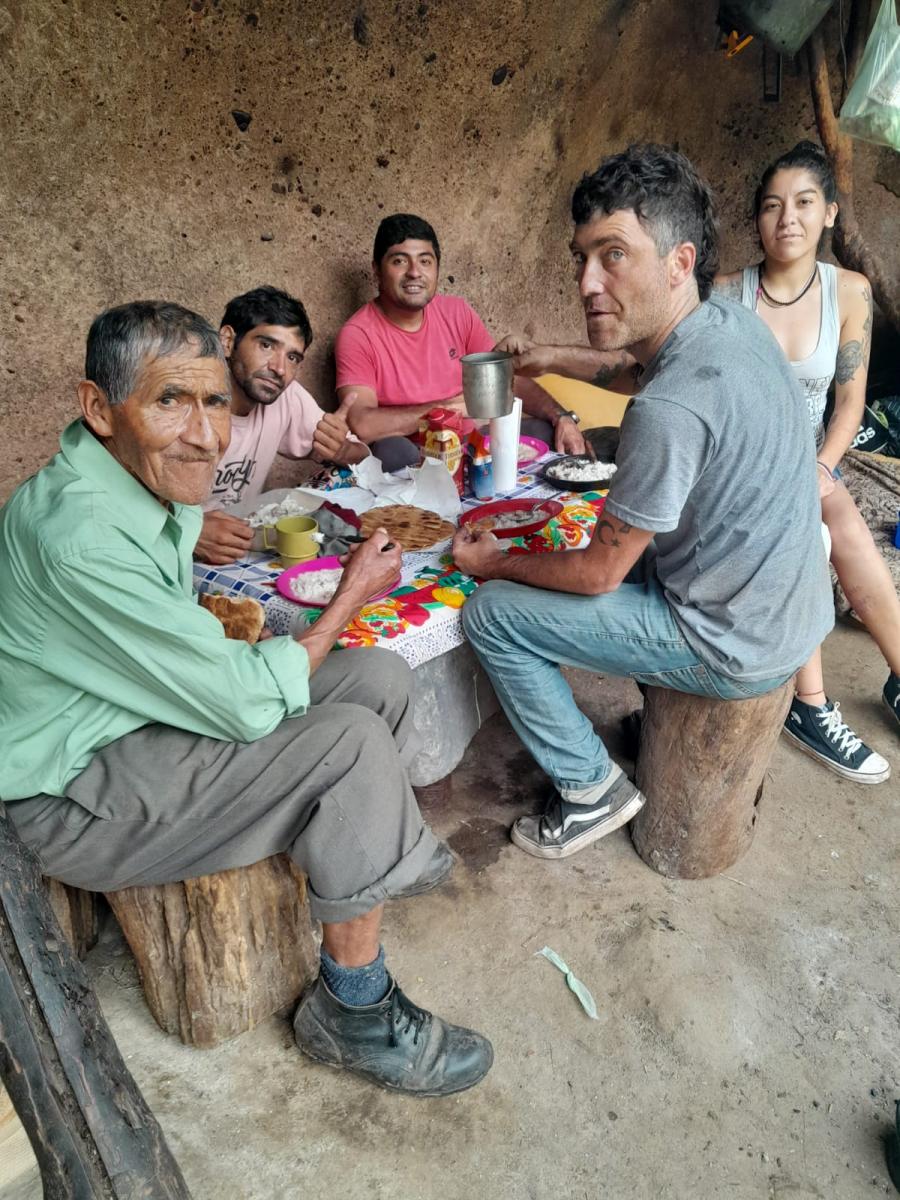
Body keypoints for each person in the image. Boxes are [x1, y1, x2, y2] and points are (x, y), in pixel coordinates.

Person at [0, 301, 492, 1097]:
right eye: (170, 401)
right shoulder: (80, 536)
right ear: (98, 408)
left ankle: (349, 861)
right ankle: (353, 1008)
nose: (206, 434)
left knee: (379, 678)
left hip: (134, 724)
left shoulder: (128, 492)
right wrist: (347, 599)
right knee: (351, 747)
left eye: (215, 402)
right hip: (73, 793)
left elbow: (201, 667)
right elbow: (234, 701)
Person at [454, 144, 834, 860]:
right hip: (784, 608)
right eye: (580, 258)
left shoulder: (669, 410)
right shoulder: (727, 324)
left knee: (495, 615)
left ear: (679, 262)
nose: (587, 281)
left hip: (732, 643)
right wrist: (549, 358)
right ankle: (640, 720)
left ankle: (589, 786)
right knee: (601, 541)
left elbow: (597, 574)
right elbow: (632, 366)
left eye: (612, 255)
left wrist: (498, 560)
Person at [716, 141, 899, 784]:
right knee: (815, 530)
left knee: (841, 524)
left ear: (830, 213)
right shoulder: (726, 295)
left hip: (808, 460)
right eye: (771, 206)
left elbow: (849, 405)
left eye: (803, 203)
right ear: (757, 220)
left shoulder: (849, 290)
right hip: (739, 470)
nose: (786, 218)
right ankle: (811, 706)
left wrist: (820, 467)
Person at [334, 213, 588, 470]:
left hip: (471, 446)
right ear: (377, 269)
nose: (414, 272)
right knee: (391, 451)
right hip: (417, 458)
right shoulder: (358, 334)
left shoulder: (456, 312)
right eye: (399, 261)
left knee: (543, 431)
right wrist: (445, 409)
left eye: (425, 261)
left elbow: (507, 381)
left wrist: (562, 417)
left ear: (436, 269)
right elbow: (362, 424)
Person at [197, 285, 369, 566]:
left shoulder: (285, 396)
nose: (279, 368)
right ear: (227, 341)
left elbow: (362, 457)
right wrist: (189, 532)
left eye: (292, 357)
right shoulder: (186, 406)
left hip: (244, 551)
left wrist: (342, 449)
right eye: (266, 345)